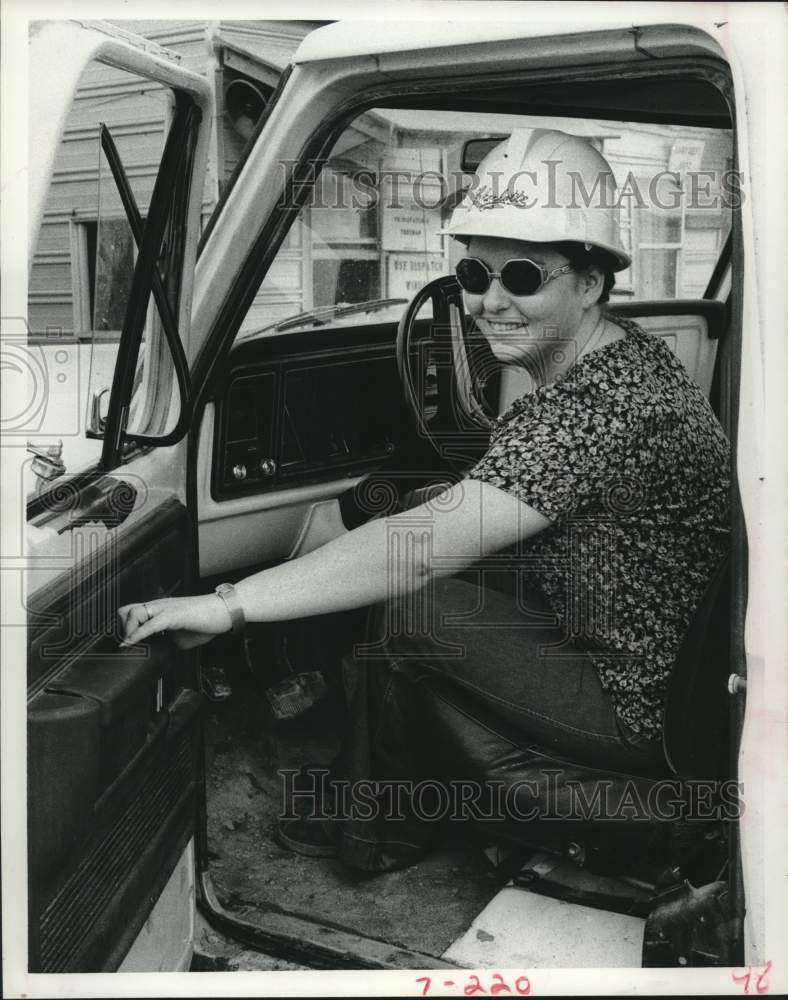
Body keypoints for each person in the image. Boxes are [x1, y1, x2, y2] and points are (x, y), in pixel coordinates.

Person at [119, 129, 731, 871]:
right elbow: (512, 496)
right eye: (474, 272)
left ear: (592, 283)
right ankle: (380, 812)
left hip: (637, 694)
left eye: (524, 276)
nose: (489, 301)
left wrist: (230, 604)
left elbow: (420, 553)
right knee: (415, 558)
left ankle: (378, 831)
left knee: (413, 606)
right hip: (627, 626)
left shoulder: (599, 406)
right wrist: (420, 503)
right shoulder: (617, 359)